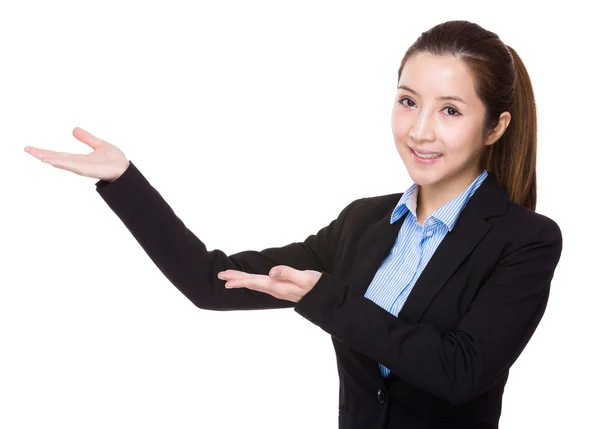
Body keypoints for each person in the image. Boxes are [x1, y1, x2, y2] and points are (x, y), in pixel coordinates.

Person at [23, 19, 562, 429]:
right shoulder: (365, 223)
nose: (420, 131)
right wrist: (124, 180)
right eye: (407, 102)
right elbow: (212, 284)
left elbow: (459, 372)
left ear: (495, 126)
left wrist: (326, 299)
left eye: (450, 110)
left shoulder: (525, 240)